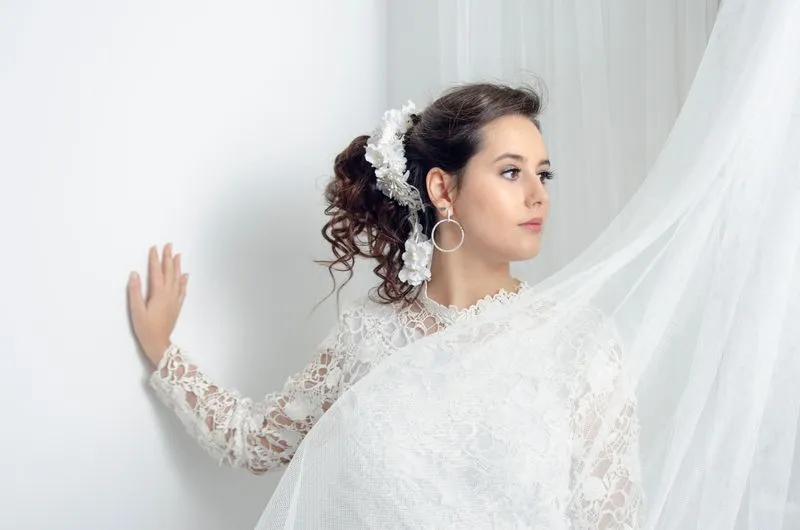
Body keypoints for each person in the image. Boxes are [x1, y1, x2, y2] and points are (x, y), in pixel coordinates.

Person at [128, 83, 643, 528]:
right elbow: (255, 442)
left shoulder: (578, 343)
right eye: (512, 172)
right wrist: (163, 352)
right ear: (443, 188)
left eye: (544, 174)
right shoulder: (369, 337)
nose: (538, 196)